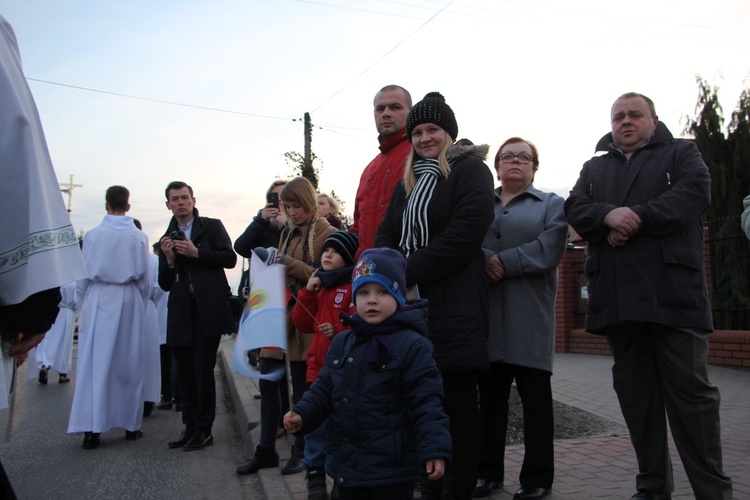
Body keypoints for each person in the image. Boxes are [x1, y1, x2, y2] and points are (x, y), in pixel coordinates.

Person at [564, 92, 733, 500]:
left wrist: (634, 218)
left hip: (673, 297)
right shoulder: (594, 167)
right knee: (638, 400)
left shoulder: (681, 154)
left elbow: (693, 195)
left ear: (653, 121)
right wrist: (607, 215)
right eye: (618, 116)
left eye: (635, 115)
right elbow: (574, 207)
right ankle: (653, 487)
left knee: (691, 399)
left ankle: (712, 491)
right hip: (619, 301)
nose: (626, 122)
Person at [375, 92, 495, 498]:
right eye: (419, 131)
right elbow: (387, 236)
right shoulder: (405, 185)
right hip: (410, 306)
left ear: (448, 133)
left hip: (456, 303)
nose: (426, 138)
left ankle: (457, 490)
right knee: (419, 403)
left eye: (434, 130)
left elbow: (464, 236)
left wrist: (401, 271)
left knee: (458, 408)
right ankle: (428, 485)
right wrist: (382, 272)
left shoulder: (470, 171)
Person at [284, 248, 452, 500]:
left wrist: (434, 448)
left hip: (392, 469)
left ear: (398, 296)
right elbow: (324, 387)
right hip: (348, 465)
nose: (371, 300)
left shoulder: (412, 345)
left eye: (382, 291)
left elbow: (426, 403)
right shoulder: (343, 342)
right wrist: (303, 413)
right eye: (363, 292)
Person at [474, 138, 568, 500]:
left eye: (524, 157)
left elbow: (551, 246)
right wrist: (485, 259)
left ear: (534, 167)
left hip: (531, 315)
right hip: (489, 317)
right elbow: (465, 240)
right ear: (496, 166)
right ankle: (488, 473)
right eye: (507, 157)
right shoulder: (482, 203)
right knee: (491, 403)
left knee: (537, 404)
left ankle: (537, 479)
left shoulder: (551, 204)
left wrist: (503, 262)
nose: (515, 162)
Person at [236, 177, 335, 478]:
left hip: (304, 317)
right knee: (268, 382)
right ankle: (266, 449)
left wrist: (284, 261)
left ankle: (302, 451)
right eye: (287, 206)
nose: (292, 212)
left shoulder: (325, 232)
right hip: (278, 314)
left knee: (303, 388)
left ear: (308, 202)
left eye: (296, 206)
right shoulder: (288, 232)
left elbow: (322, 275)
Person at [67, 186, 151, 449]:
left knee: (96, 363)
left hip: (99, 297)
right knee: (128, 362)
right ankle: (130, 424)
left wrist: (78, 304)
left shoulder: (92, 236)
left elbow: (81, 274)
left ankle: (92, 428)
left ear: (106, 205)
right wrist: (140, 301)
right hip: (128, 299)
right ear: (128, 206)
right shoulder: (138, 236)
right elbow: (145, 279)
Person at [159, 181, 237, 451]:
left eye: (184, 197)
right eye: (174, 199)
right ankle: (189, 427)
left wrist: (196, 253)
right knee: (184, 375)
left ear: (193, 200)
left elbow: (229, 258)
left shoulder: (212, 226)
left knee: (202, 371)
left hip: (208, 311)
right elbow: (164, 283)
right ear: (168, 204)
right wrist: (169, 260)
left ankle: (204, 430)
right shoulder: (167, 237)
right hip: (181, 312)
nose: (180, 202)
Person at [291, 231, 358, 499]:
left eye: (336, 251)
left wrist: (339, 331)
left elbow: (359, 324)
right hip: (316, 370)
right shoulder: (319, 285)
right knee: (315, 428)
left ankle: (342, 481)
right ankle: (315, 478)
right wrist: (307, 292)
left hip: (344, 372)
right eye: (326, 251)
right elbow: (302, 323)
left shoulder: (353, 286)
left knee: (342, 429)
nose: (328, 255)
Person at [350, 84, 413, 259]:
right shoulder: (370, 168)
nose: (386, 113)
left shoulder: (420, 155)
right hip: (367, 272)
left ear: (411, 111)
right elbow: (357, 227)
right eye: (380, 108)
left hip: (405, 271)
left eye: (395, 107)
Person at [36, 280, 80, 385]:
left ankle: (44, 364)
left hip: (52, 310)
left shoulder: (55, 280)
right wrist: (77, 317)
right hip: (66, 313)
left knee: (49, 339)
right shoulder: (72, 283)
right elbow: (76, 301)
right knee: (64, 344)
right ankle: (62, 372)